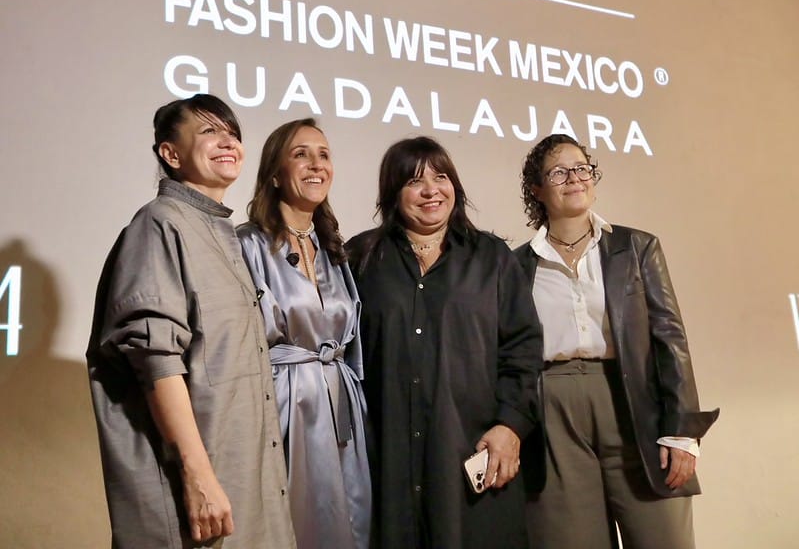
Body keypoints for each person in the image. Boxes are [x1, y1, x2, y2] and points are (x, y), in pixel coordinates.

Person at [86, 94, 296, 549]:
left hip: (245, 482)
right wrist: (197, 476)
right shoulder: (159, 223)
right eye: (209, 131)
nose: (228, 142)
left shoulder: (221, 231)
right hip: (197, 488)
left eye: (232, 133)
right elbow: (157, 360)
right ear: (171, 153)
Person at [514, 133, 720, 549]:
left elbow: (670, 337)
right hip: (553, 416)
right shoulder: (516, 264)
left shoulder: (637, 247)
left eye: (582, 168)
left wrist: (682, 432)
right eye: (558, 172)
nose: (574, 178)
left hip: (634, 405)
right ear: (537, 189)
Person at [346, 136, 543, 549]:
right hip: (387, 460)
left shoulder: (492, 257)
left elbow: (522, 348)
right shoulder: (362, 257)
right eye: (414, 181)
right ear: (393, 193)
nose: (431, 190)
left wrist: (511, 425)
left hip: (473, 450)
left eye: (440, 177)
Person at [237, 118, 370, 549]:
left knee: (351, 518)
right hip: (284, 403)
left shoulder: (333, 248)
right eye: (300, 154)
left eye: (324, 155)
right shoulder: (247, 244)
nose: (316, 164)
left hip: (343, 404)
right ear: (275, 174)